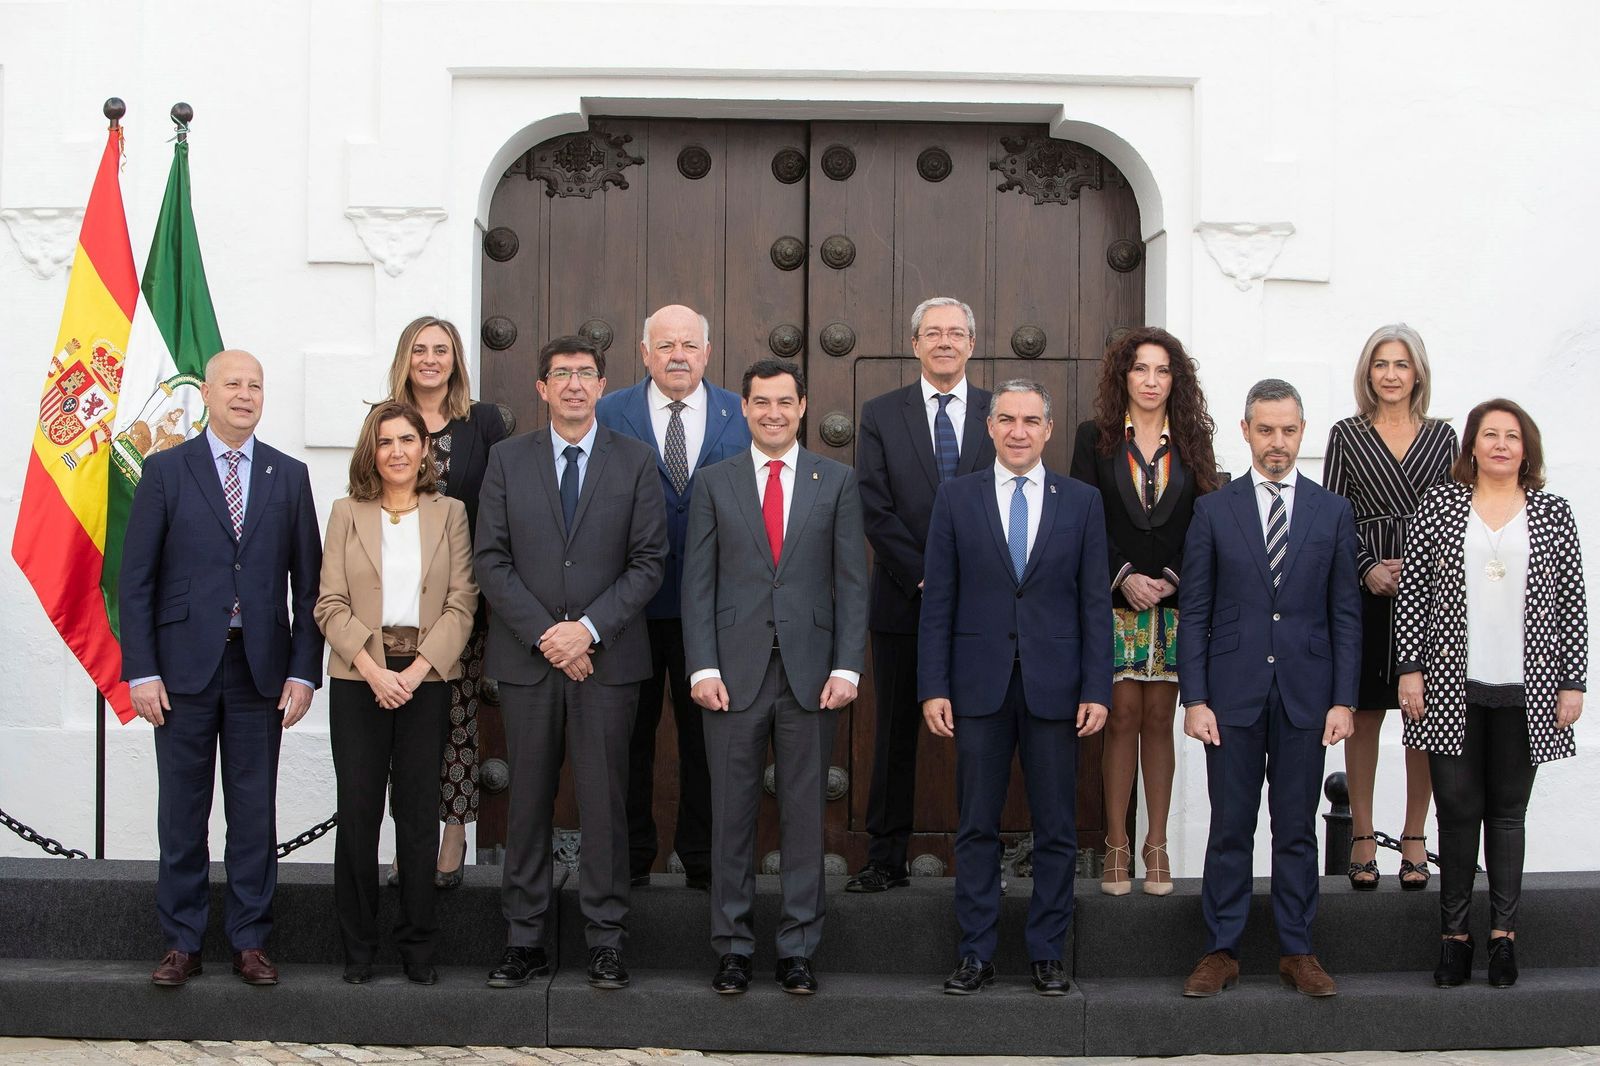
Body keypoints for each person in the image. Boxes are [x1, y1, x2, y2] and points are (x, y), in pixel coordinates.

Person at [120, 349, 323, 988]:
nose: (244, 394)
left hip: (260, 671)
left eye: (255, 385)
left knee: (253, 812)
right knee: (182, 811)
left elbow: (310, 586)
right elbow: (137, 580)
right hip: (180, 672)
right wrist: (141, 670)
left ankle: (250, 941)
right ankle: (181, 943)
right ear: (205, 393)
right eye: (232, 384)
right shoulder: (164, 471)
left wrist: (303, 671)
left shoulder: (288, 476)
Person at [475, 335, 667, 992]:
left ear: (603, 385)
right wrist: (547, 636)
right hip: (528, 665)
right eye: (562, 374)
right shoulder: (506, 460)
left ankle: (607, 940)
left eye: (587, 374)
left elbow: (648, 563)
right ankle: (522, 939)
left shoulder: (637, 462)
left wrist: (585, 632)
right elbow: (490, 561)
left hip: (607, 665)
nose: (575, 385)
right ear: (542, 387)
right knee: (526, 802)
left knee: (605, 806)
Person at [919, 379, 1111, 997]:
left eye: (1031, 420)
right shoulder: (956, 498)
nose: (1019, 430)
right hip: (978, 688)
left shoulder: (1081, 502)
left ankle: (1047, 953)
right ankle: (975, 953)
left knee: (1056, 827)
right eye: (1007, 419)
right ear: (991, 427)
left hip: (1057, 690)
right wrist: (933, 686)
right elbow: (939, 601)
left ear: (1049, 430)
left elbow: (1093, 605)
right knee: (976, 824)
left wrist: (1097, 689)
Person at [681, 358, 868, 996]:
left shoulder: (836, 480)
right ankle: (732, 948)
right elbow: (697, 584)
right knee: (730, 816)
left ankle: (797, 950)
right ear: (745, 405)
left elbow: (851, 581)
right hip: (730, 676)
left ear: (803, 406)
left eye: (785, 402)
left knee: (803, 816)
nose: (773, 413)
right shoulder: (715, 482)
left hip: (812, 676)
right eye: (761, 402)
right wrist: (701, 664)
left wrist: (847, 666)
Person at [1177, 378, 1359, 999]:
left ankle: (1297, 950)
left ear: (1302, 433)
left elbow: (1344, 615)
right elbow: (1194, 611)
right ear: (1246, 431)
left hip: (1308, 696)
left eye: (1288, 430)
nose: (1276, 442)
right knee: (1230, 826)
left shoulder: (1332, 512)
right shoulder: (1213, 510)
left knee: (1296, 828)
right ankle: (1220, 950)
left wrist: (1343, 699)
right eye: (1265, 430)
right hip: (1230, 697)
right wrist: (1195, 699)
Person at [1396, 399, 1586, 989]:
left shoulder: (1553, 513)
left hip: (1530, 687)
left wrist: (1572, 682)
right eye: (1489, 434)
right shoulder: (1439, 506)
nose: (1501, 444)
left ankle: (1503, 938)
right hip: (1450, 680)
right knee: (1455, 812)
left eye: (1512, 436)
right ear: (1472, 446)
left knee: (1508, 814)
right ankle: (1455, 938)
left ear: (1526, 448)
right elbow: (1413, 596)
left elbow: (1573, 602)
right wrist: (1410, 669)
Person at [314, 402, 478, 985]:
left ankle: (418, 948)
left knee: (416, 817)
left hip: (427, 678)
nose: (399, 451)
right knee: (357, 815)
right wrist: (375, 669)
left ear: (424, 448)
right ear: (372, 452)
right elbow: (328, 603)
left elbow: (463, 603)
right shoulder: (345, 513)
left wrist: (413, 673)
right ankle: (358, 949)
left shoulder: (451, 513)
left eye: (409, 439)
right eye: (386, 442)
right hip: (361, 676)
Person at [596, 304, 750, 891]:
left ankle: (705, 861)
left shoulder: (742, 412)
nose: (678, 355)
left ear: (708, 352)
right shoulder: (609, 413)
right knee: (626, 739)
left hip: (716, 611)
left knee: (708, 740)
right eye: (665, 345)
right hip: (627, 609)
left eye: (689, 344)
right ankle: (631, 857)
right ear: (644, 353)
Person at [849, 297, 995, 894]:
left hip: (986, 608)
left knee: (987, 734)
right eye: (932, 333)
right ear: (914, 344)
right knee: (895, 735)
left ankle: (982, 862)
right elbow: (875, 508)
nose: (944, 342)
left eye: (955, 333)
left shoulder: (998, 412)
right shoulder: (882, 414)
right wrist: (928, 575)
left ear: (971, 344)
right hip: (903, 601)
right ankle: (885, 857)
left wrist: (970, 578)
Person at [1069, 327, 1218, 897]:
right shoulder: (1096, 438)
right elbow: (1084, 517)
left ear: (1175, 380)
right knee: (1121, 719)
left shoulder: (1196, 439)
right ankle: (1115, 843)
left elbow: (1208, 519)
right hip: (1114, 603)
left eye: (1162, 371)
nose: (1151, 381)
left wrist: (1172, 578)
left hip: (1177, 605)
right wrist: (1124, 577)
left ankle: (1156, 844)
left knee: (1161, 722)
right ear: (1122, 376)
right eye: (1140, 370)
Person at [1323, 324, 1458, 892]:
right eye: (1381, 363)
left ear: (1418, 372)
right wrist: (1368, 570)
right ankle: (1361, 836)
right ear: (1368, 372)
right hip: (1365, 591)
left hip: (1430, 595)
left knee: (1421, 717)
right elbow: (1331, 517)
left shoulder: (1445, 436)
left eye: (1402, 364)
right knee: (1367, 715)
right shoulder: (1347, 435)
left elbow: (1457, 511)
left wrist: (1427, 574)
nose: (1391, 374)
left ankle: (1413, 838)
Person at [385, 316, 511, 887]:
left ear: (457, 358)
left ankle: (456, 830)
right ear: (405, 358)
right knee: (401, 722)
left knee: (458, 718)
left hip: (464, 596)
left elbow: (503, 501)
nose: (430, 359)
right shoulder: (384, 420)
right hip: (397, 602)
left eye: (441, 349)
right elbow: (365, 493)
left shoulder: (480, 421)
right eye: (420, 350)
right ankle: (409, 838)